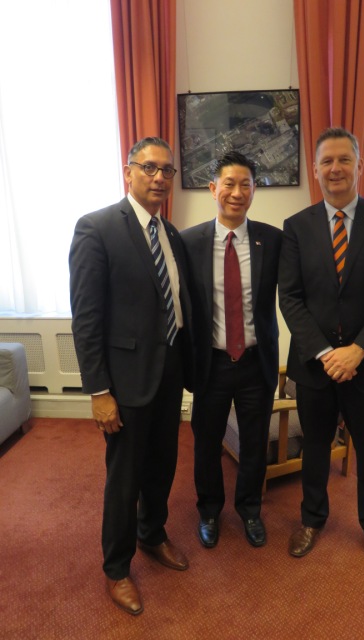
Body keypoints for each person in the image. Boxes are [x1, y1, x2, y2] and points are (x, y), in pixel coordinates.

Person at [278, 127, 364, 576]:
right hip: (315, 365)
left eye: (343, 160)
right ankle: (312, 520)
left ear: (360, 165)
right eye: (326, 161)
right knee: (315, 447)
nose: (335, 168)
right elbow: (290, 298)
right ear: (316, 170)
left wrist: (357, 351)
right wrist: (324, 353)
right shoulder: (296, 227)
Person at [69, 137, 193, 615]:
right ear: (128, 172)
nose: (159, 177)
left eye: (167, 170)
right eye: (149, 168)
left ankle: (152, 534)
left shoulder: (171, 234)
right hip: (124, 383)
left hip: (169, 374)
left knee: (162, 465)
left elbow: (176, 304)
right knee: (124, 478)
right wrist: (99, 391)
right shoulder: (97, 228)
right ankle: (117, 567)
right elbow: (87, 319)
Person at [181, 151, 282, 549]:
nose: (237, 193)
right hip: (212, 364)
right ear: (213, 189)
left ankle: (250, 510)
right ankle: (209, 510)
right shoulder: (189, 242)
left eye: (245, 185)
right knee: (206, 443)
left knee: (255, 443)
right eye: (229, 184)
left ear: (255, 190)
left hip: (257, 363)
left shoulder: (272, 240)